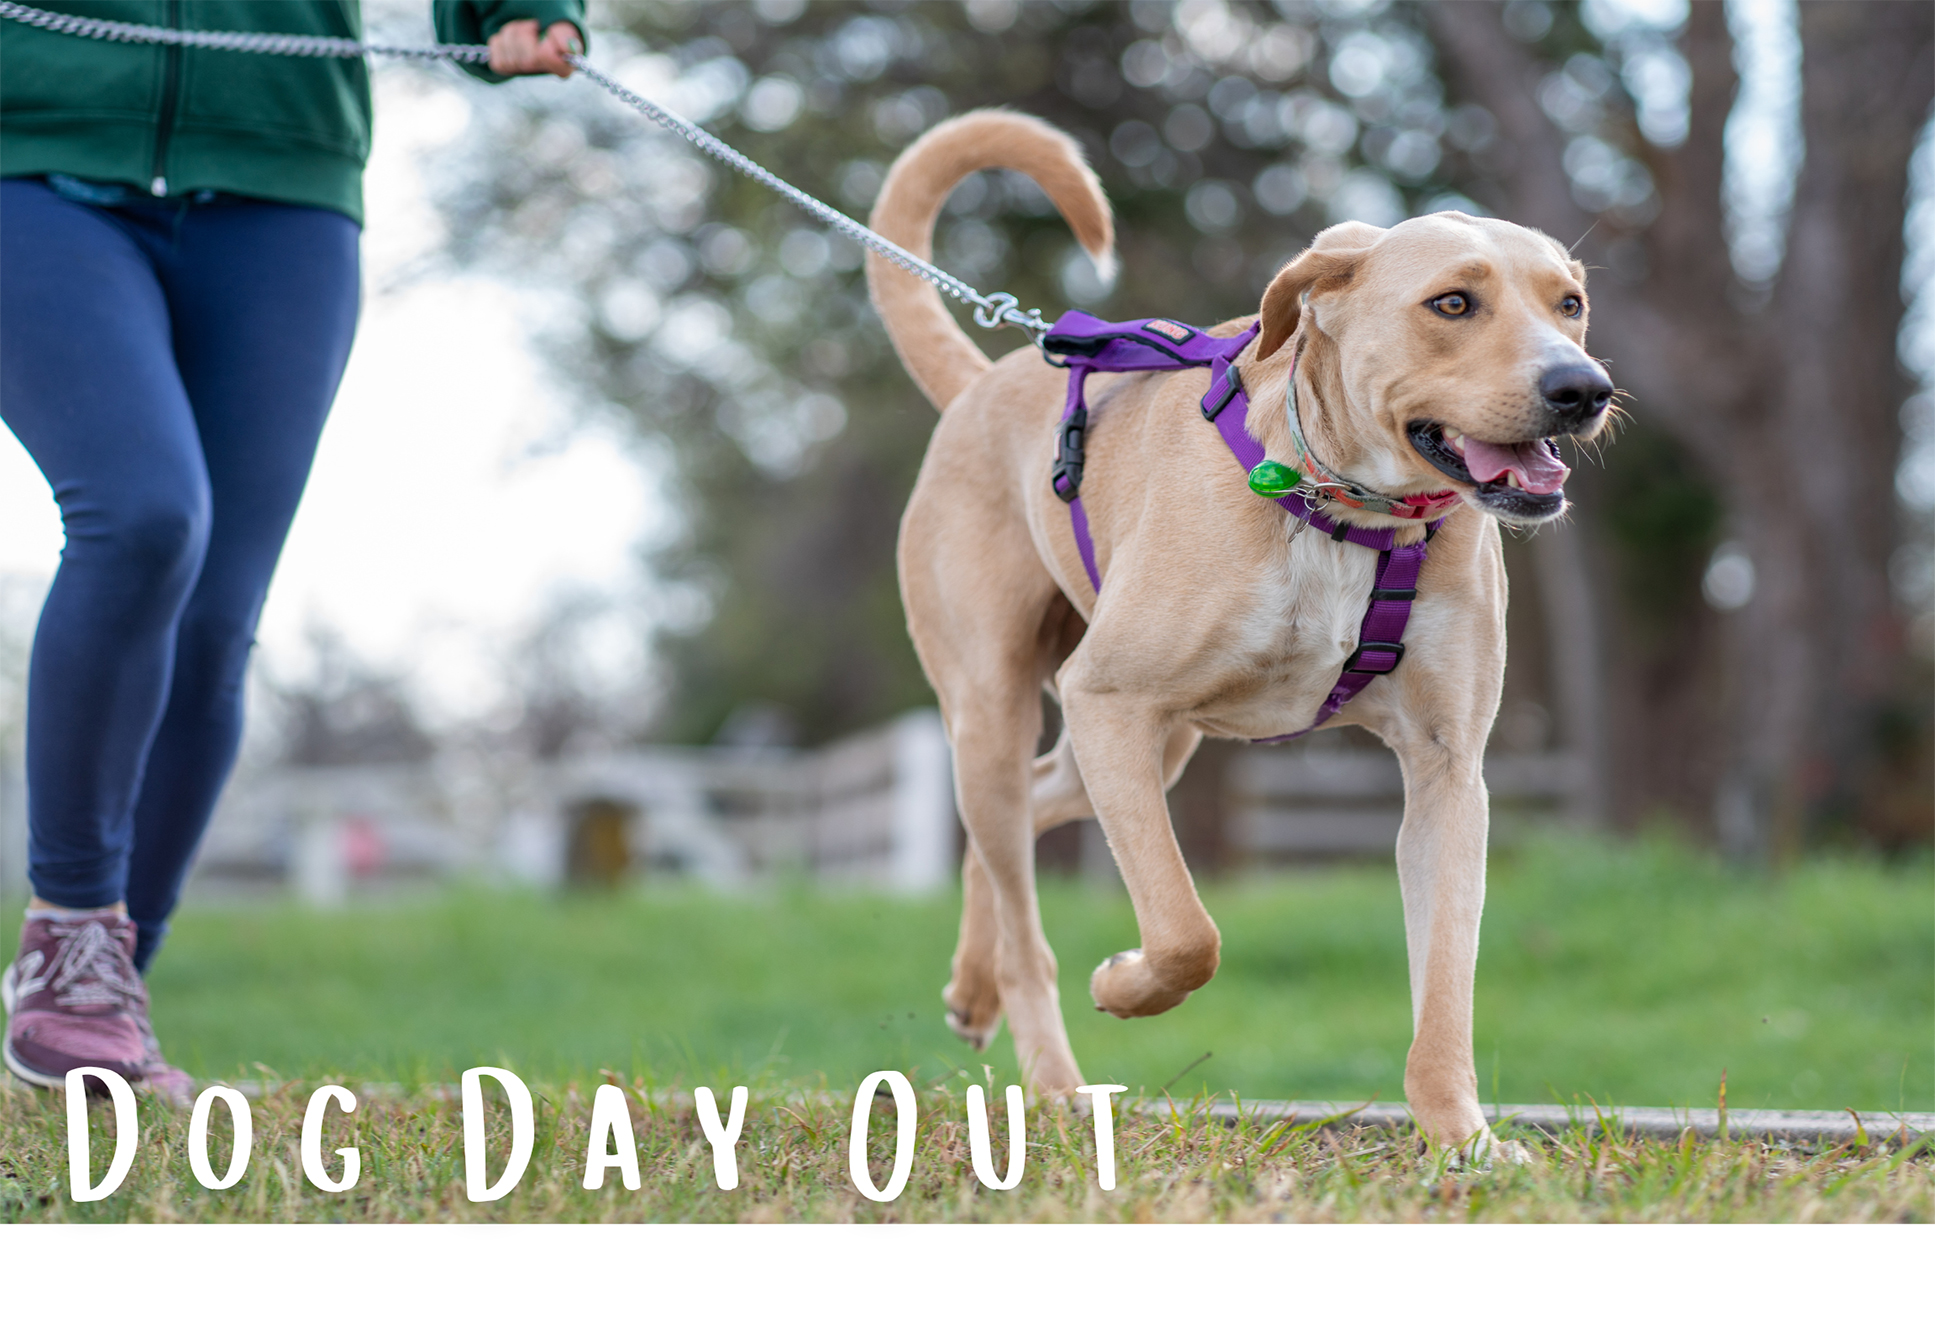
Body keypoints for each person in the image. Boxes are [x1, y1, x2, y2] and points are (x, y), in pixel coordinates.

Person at [0, 1, 586, 1097]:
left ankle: (109, 999)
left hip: (282, 183)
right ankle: (71, 940)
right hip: (28, 147)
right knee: (143, 513)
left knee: (215, 623)